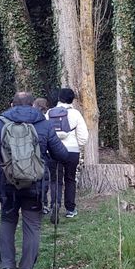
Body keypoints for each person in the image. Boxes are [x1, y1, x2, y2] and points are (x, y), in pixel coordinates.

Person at [0, 92, 69, 269]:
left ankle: (7, 266)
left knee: (8, 220)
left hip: (7, 183)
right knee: (32, 226)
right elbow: (62, 154)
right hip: (35, 185)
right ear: (33, 105)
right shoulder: (44, 124)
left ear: (12, 104)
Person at [46, 88, 88, 220]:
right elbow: (83, 137)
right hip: (71, 151)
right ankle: (70, 209)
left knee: (55, 180)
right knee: (70, 179)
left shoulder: (49, 113)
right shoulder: (75, 114)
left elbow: (44, 132)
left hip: (53, 150)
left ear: (59, 98)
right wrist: (78, 144)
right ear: (72, 99)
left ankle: (55, 204)